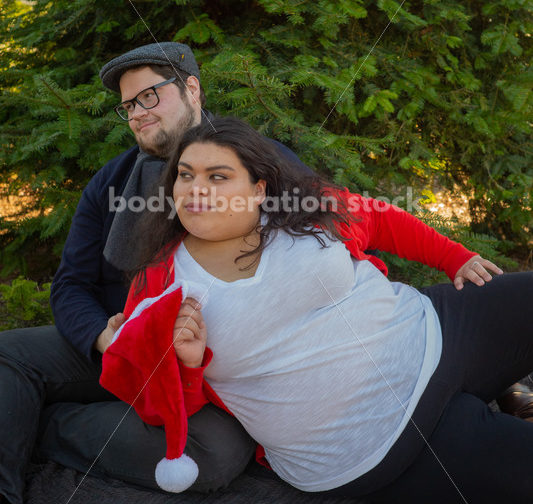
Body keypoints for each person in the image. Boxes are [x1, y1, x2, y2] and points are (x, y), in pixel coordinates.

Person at [103, 116, 533, 504]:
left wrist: (454, 257)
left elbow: (379, 219)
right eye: (185, 175)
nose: (196, 189)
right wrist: (189, 364)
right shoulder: (159, 285)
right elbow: (158, 404)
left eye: (218, 176)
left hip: (436, 329)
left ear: (258, 189)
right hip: (376, 441)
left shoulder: (301, 212)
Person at [0, 42, 308, 504]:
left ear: (192, 89)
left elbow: (326, 239)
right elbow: (71, 284)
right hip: (123, 341)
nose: (137, 113)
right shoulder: (111, 180)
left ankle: (48, 424)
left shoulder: (261, 163)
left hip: (216, 364)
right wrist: (105, 340)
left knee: (212, 456)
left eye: (149, 96)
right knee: (9, 355)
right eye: (128, 105)